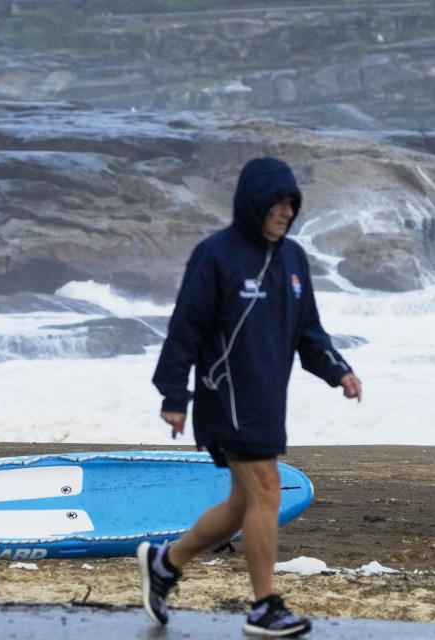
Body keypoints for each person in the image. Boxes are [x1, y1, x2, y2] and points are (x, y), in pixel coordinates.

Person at [138, 156, 362, 637]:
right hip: (225, 397)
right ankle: (264, 606)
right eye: (276, 203)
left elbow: (309, 332)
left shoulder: (294, 259)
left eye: (291, 203)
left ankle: (165, 563)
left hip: (265, 399)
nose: (285, 211)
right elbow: (185, 328)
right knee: (267, 490)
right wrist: (174, 395)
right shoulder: (216, 254)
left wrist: (338, 371)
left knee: (243, 505)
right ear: (253, 203)